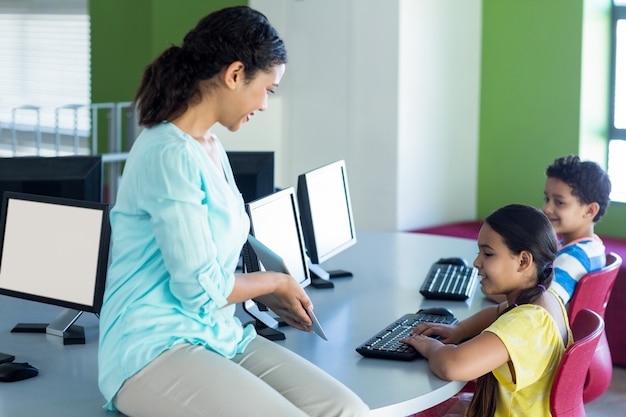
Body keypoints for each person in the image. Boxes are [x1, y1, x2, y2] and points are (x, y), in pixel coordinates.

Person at [97, 7, 369, 417]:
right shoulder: (167, 153)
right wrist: (273, 282)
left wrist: (271, 287)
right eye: (268, 89)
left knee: (348, 411)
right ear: (235, 73)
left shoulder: (209, 145)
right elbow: (199, 286)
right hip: (153, 345)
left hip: (218, 333)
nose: (264, 105)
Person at [402, 204, 572, 417]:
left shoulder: (528, 322)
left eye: (488, 254)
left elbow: (451, 366)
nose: (476, 262)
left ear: (523, 261)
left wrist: (430, 347)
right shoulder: (545, 300)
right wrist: (459, 330)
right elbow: (497, 312)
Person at [543, 155, 612, 304]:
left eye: (559, 202)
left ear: (590, 211)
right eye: (547, 199)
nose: (547, 208)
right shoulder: (593, 247)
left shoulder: (574, 259)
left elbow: (542, 304)